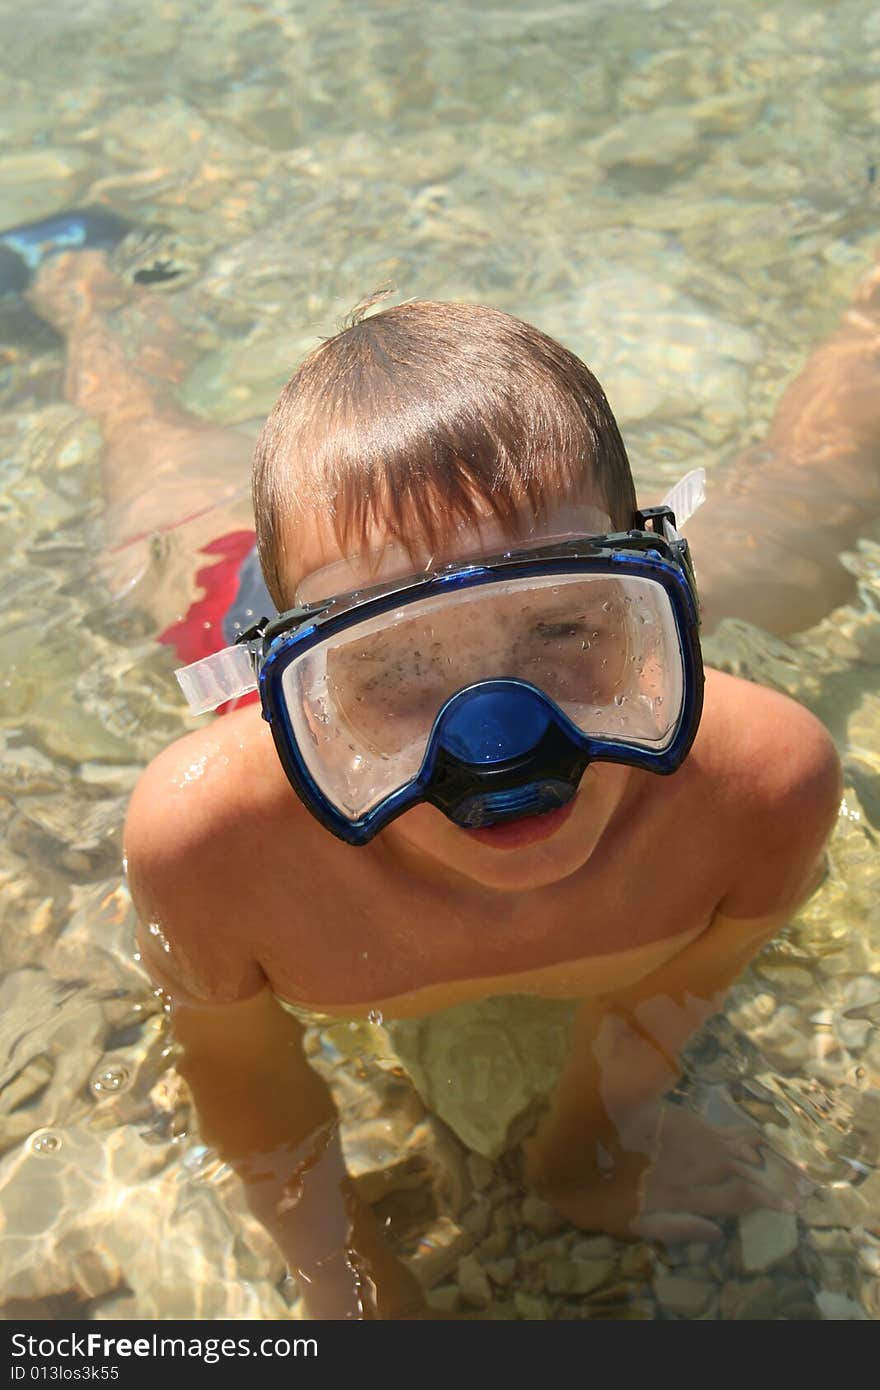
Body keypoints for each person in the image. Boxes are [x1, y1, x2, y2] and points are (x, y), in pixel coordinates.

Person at [25, 247, 866, 1320]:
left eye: (565, 630)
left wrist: (589, 1144)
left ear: (648, 606)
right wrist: (350, 1281)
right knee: (154, 463)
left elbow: (671, 994)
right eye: (394, 673)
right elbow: (245, 1076)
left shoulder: (759, 784)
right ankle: (91, 305)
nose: (499, 742)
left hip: (489, 566)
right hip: (239, 582)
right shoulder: (215, 845)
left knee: (811, 499)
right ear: (306, 684)